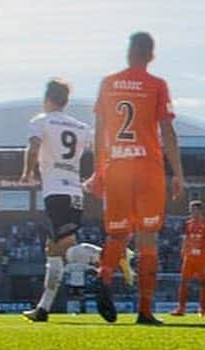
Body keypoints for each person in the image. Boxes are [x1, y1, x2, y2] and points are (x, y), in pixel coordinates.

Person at [86, 31, 184, 325]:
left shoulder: (108, 84)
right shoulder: (156, 85)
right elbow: (167, 132)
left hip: (117, 165)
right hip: (146, 167)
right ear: (151, 55)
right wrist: (178, 173)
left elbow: (99, 130)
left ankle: (103, 277)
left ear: (128, 52)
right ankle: (144, 310)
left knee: (117, 233)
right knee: (147, 237)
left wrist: (98, 169)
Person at [20, 78, 131, 321]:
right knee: (53, 250)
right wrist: (96, 175)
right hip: (74, 192)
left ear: (47, 98)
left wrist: (28, 172)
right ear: (66, 100)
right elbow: (103, 148)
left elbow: (34, 145)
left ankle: (110, 256)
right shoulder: (80, 127)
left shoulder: (41, 121)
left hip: (56, 193)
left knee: (66, 247)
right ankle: (43, 309)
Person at [170, 200, 205, 317]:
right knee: (183, 282)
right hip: (189, 257)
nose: (192, 212)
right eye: (191, 210)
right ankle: (181, 308)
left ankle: (202, 308)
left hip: (201, 258)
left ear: (200, 211)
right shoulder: (188, 223)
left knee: (203, 283)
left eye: (194, 210)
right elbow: (186, 238)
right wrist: (183, 250)